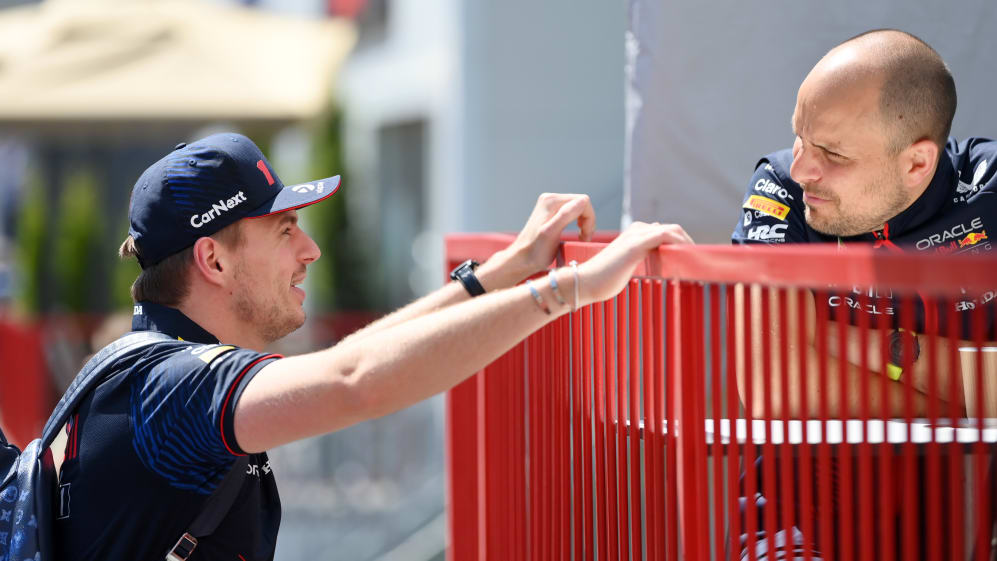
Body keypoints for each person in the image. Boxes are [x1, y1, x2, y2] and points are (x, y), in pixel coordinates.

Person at [51, 132, 692, 560]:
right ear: (213, 260)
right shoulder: (174, 388)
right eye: (284, 230)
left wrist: (502, 270)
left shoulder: (162, 367)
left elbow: (348, 359)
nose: (311, 250)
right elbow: (354, 380)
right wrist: (570, 289)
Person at [730, 30, 997, 561]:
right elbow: (773, 385)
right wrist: (962, 396)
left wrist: (831, 345)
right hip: (805, 506)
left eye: (832, 153)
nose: (803, 167)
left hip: (958, 502)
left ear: (918, 163)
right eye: (801, 138)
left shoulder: (989, 189)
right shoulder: (780, 186)